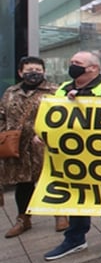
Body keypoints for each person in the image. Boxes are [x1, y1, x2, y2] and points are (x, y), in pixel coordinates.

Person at [45, 51, 101, 261]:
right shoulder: (63, 88)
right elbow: (51, 116)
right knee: (77, 196)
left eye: (77, 63)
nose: (72, 66)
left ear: (93, 68)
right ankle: (75, 238)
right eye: (71, 62)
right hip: (72, 154)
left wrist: (80, 100)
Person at [0, 56, 67, 237]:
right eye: (29, 70)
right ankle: (24, 218)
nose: (34, 74)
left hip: (45, 145)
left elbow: (64, 117)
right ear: (21, 72)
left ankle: (61, 214)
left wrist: (48, 134)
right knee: (24, 183)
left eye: (38, 70)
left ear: (44, 72)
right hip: (19, 147)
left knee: (53, 180)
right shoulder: (11, 92)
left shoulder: (55, 91)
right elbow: (2, 115)